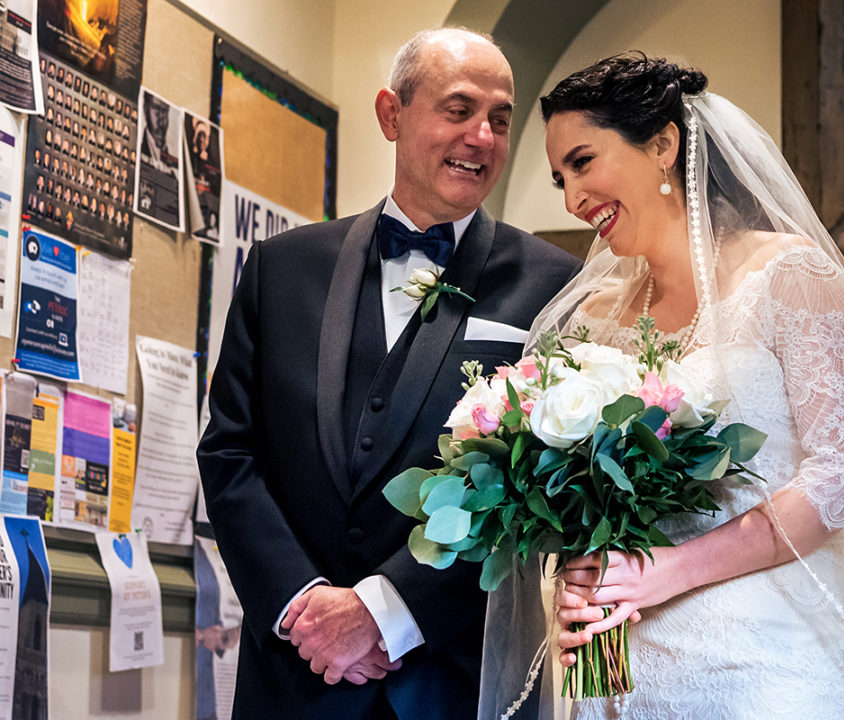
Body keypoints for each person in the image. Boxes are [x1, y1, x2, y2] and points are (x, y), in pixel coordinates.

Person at [483, 54, 844, 719]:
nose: (573, 200)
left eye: (583, 162)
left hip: (770, 670)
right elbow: (585, 498)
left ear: (662, 144)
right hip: (622, 678)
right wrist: (582, 574)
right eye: (559, 179)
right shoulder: (592, 318)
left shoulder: (789, 276)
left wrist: (664, 570)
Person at [197, 27, 580, 720]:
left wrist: (388, 610)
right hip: (293, 677)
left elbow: (538, 489)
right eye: (459, 110)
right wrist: (300, 605)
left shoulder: (557, 287)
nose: (484, 138)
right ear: (391, 114)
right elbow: (230, 451)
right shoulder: (281, 269)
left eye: (499, 118)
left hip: (458, 682)